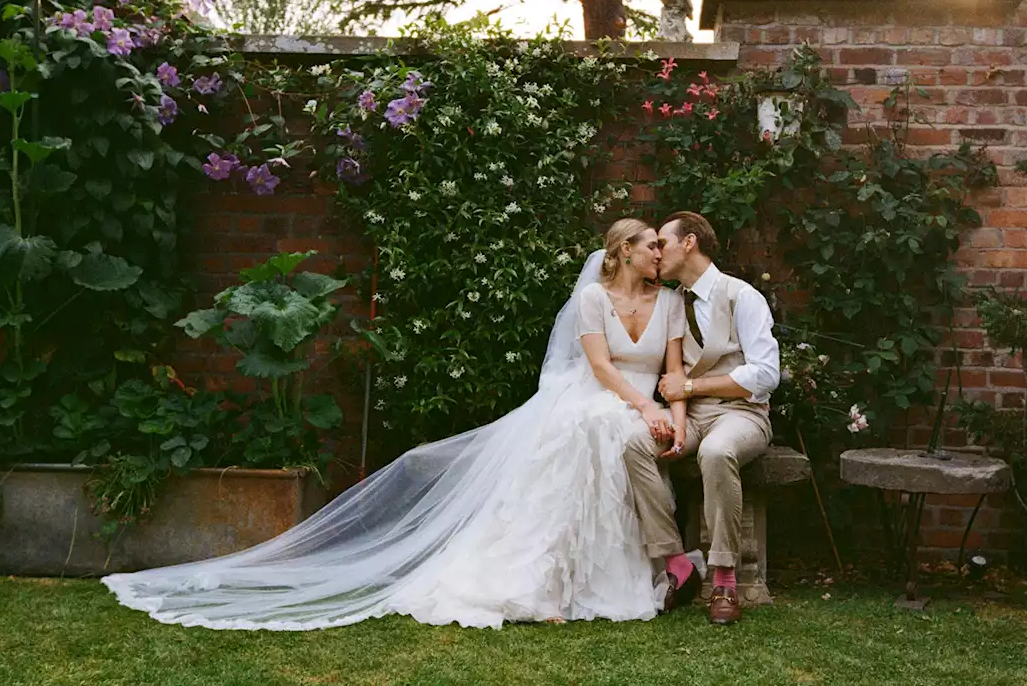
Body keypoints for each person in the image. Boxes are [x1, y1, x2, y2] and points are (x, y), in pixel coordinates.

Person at [102, 218, 702, 630]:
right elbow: (597, 366)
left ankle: (615, 574)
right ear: (623, 251)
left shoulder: (669, 302)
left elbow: (673, 372)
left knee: (615, 434)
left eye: (660, 245)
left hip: (637, 407)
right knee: (590, 429)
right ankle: (547, 584)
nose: (659, 252)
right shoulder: (592, 300)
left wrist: (668, 415)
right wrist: (644, 407)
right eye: (650, 244)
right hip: (591, 395)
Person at [623, 211, 780, 626]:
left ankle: (725, 578)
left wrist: (691, 387)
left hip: (742, 414)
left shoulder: (742, 296)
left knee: (716, 451)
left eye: (663, 243)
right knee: (635, 444)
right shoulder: (673, 301)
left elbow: (766, 374)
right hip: (690, 417)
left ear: (689, 243)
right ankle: (677, 563)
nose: (656, 252)